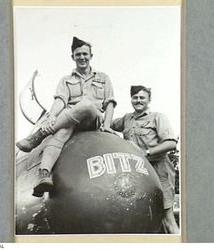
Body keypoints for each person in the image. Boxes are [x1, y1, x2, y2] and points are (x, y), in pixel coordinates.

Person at [16, 37, 116, 197]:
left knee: (85, 105)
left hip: (93, 118)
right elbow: (60, 100)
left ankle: (38, 136)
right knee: (60, 133)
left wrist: (108, 125)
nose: (82, 57)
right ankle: (44, 175)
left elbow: (110, 102)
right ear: (73, 57)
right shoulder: (66, 80)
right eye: (78, 55)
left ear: (91, 56)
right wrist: (52, 117)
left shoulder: (103, 78)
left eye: (85, 54)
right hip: (71, 120)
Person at [111, 85, 179, 234]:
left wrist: (146, 152)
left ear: (149, 100)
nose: (138, 100)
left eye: (142, 97)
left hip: (159, 169)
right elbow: (107, 124)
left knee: (167, 218)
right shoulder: (127, 119)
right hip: (139, 172)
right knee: (144, 215)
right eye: (135, 97)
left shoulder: (158, 117)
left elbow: (171, 143)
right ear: (131, 100)